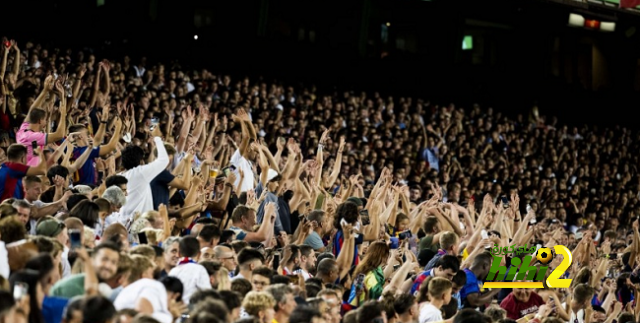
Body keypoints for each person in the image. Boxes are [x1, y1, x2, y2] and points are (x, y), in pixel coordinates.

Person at [119, 126, 169, 221]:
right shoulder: (140, 173)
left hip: (123, 224)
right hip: (139, 227)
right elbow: (164, 160)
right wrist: (157, 138)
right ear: (141, 161)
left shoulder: (119, 176)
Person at [168, 236, 211, 304]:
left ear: (179, 254)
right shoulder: (200, 270)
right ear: (199, 254)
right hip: (194, 310)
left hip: (176, 309)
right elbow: (207, 294)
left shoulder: (173, 271)